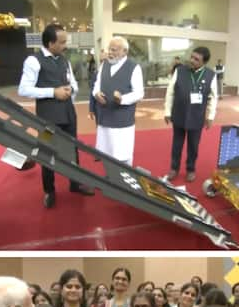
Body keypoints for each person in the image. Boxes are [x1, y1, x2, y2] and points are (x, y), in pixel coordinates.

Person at [17, 23, 94, 208]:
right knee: (47, 153)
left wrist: (71, 89)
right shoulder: (33, 61)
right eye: (62, 42)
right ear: (50, 43)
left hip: (68, 113)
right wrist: (53, 92)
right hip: (48, 116)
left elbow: (73, 83)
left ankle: (75, 183)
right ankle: (49, 191)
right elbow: (23, 89)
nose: (65, 45)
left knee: (72, 149)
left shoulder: (64, 60)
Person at [164, 46, 217, 183]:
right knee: (177, 144)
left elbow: (213, 97)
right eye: (192, 57)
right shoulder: (180, 71)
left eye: (196, 59)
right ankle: (174, 168)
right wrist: (167, 111)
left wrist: (210, 116)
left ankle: (190, 169)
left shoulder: (210, 75)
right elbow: (170, 92)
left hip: (196, 116)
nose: (192, 60)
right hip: (179, 114)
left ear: (204, 62)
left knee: (193, 146)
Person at [92, 36, 144, 166]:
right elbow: (96, 85)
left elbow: (139, 93)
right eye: (109, 49)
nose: (110, 52)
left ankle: (123, 182)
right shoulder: (104, 65)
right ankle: (111, 180)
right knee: (106, 153)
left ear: (124, 51)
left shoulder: (134, 67)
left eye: (114, 50)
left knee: (123, 155)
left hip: (122, 121)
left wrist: (122, 99)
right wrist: (96, 94)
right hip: (104, 118)